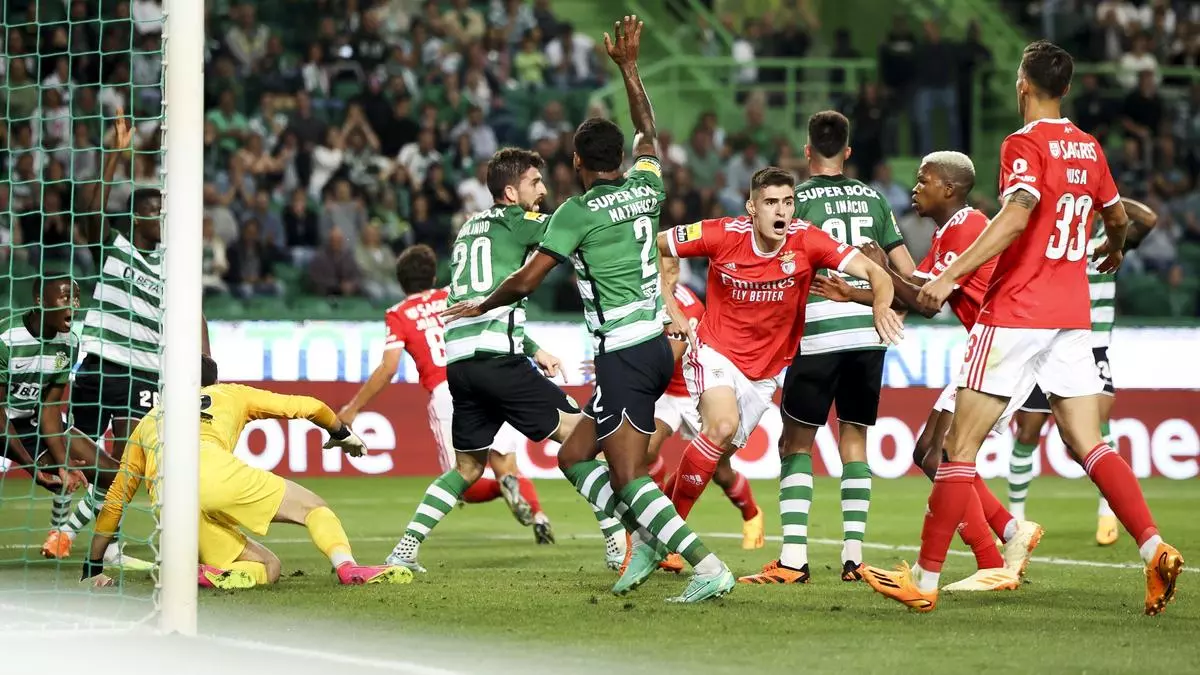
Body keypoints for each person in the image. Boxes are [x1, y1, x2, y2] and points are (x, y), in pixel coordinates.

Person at [860, 40, 1184, 615]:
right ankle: (1153, 547)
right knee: (1089, 443)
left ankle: (925, 581)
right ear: (1067, 87)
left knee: (957, 448)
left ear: (1022, 83)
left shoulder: (1023, 143)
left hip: (1016, 311)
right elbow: (1117, 215)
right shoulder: (1089, 147)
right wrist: (1113, 248)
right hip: (1072, 316)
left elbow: (1016, 215)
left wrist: (949, 276)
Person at [444, 16, 733, 603]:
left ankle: (706, 565)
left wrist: (482, 303)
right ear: (620, 157)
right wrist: (629, 67)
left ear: (576, 162)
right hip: (651, 345)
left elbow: (527, 280)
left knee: (627, 476)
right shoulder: (647, 185)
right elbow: (648, 129)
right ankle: (647, 539)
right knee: (575, 453)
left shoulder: (574, 214)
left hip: (626, 353)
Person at [657, 165, 902, 588]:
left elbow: (878, 273)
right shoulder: (720, 233)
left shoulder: (808, 239)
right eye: (771, 202)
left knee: (719, 451)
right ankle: (664, 539)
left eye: (788, 202)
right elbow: (650, 242)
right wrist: (669, 304)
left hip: (764, 373)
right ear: (752, 208)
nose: (781, 211)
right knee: (721, 427)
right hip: (715, 350)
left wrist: (880, 305)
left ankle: (658, 525)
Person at [814, 151, 1034, 593]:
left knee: (942, 456)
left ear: (948, 189)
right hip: (988, 347)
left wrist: (880, 269)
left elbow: (926, 303)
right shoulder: (949, 231)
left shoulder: (969, 227)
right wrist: (858, 293)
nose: (914, 189)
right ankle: (1011, 533)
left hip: (1003, 348)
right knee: (927, 454)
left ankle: (989, 560)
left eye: (923, 181)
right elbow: (917, 292)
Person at [385, 148, 581, 574]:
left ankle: (404, 549)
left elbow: (481, 298)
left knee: (469, 467)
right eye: (534, 182)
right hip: (498, 361)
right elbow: (572, 229)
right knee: (583, 435)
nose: (543, 190)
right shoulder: (518, 221)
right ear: (510, 192)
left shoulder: (469, 228)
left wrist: (535, 349)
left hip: (461, 366)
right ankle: (621, 544)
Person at [747, 110, 917, 583]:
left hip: (819, 330)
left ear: (807, 151)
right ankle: (854, 557)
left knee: (795, 442)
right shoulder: (875, 197)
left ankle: (794, 560)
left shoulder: (793, 200)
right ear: (848, 151)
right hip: (869, 331)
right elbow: (908, 272)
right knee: (854, 440)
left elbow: (774, 263)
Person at [82, 355, 410, 589]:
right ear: (214, 381)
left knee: (269, 567)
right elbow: (311, 407)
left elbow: (116, 497)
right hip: (212, 472)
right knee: (314, 509)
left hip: (169, 504)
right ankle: (347, 567)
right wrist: (341, 433)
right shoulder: (230, 394)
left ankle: (208, 574)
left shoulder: (149, 419)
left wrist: (92, 567)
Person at [44, 112, 210, 560]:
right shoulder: (115, 248)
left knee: (126, 465)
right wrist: (115, 154)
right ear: (138, 219)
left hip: (143, 374)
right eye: (157, 215)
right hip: (98, 363)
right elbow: (91, 213)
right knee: (72, 450)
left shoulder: (174, 264)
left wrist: (206, 364)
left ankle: (85, 538)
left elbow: (196, 314)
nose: (164, 221)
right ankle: (72, 529)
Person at [337, 243, 557, 546]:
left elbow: (388, 368)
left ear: (401, 282)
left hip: (448, 390)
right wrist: (537, 351)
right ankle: (537, 513)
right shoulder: (452, 294)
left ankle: (499, 488)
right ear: (433, 276)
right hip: (489, 375)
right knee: (507, 463)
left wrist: (353, 408)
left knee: (462, 478)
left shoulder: (398, 314)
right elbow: (497, 323)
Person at [1007, 198, 1159, 546]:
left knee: (1097, 428)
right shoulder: (1054, 237)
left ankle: (1108, 513)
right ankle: (1016, 518)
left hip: (1093, 346)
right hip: (1046, 343)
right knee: (1028, 430)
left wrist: (1105, 199)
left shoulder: (1110, 237)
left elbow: (1148, 220)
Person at [1, 277, 143, 569]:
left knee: (111, 474)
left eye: (76, 297)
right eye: (65, 297)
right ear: (40, 300)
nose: (74, 304)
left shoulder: (69, 343)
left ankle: (106, 548)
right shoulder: (6, 339)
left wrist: (62, 462)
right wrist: (32, 468)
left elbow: (50, 410)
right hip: (2, 420)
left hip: (30, 424)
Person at [624, 282, 764, 574]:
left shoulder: (688, 306)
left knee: (720, 470)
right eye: (665, 265)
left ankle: (751, 513)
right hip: (663, 393)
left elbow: (670, 355)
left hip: (692, 390)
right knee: (643, 451)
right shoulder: (640, 291)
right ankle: (646, 542)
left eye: (674, 267)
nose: (670, 273)